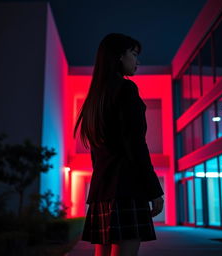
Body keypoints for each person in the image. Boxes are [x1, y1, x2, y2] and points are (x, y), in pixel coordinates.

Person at [73, 33, 164, 256]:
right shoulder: (125, 90)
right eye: (133, 54)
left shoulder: (95, 97)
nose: (138, 61)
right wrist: (154, 190)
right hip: (127, 188)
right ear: (119, 56)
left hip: (101, 190)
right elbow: (136, 146)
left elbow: (98, 154)